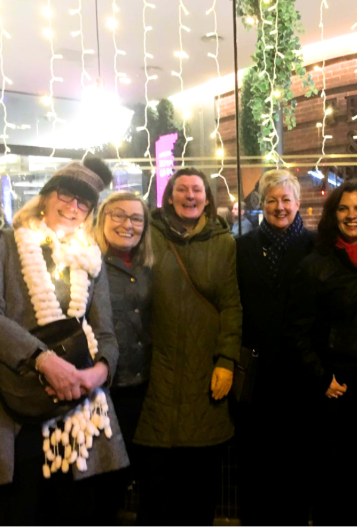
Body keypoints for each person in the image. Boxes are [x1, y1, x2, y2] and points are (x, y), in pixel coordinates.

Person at [0, 158, 129, 525]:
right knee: (20, 509)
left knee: (75, 510)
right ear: (46, 197)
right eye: (67, 196)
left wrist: (98, 373)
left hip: (79, 407)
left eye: (82, 203)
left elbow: (105, 332)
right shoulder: (8, 245)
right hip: (15, 405)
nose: (73, 208)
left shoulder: (89, 257)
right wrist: (43, 360)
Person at [134, 168, 242, 526]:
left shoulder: (223, 242)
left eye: (197, 190)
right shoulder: (147, 236)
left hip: (204, 376)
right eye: (182, 189)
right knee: (154, 492)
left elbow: (231, 306)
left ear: (208, 198)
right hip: (156, 377)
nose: (190, 196)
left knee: (199, 492)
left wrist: (226, 360)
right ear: (170, 196)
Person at [285, 180, 357, 525]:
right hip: (336, 389)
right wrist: (321, 377)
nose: (352, 215)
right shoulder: (315, 264)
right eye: (344, 208)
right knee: (334, 486)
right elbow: (297, 332)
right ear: (333, 214)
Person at [235, 169, 315, 525]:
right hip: (255, 376)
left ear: (298, 204)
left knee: (297, 469)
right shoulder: (243, 247)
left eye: (286, 200)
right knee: (254, 467)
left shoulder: (316, 247)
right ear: (261, 204)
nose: (279, 207)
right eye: (272, 200)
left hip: (300, 376)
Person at [94, 191, 153, 522]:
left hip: (142, 386)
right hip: (103, 389)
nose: (127, 224)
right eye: (118, 215)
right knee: (105, 483)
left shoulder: (148, 265)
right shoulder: (86, 262)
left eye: (135, 218)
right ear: (102, 218)